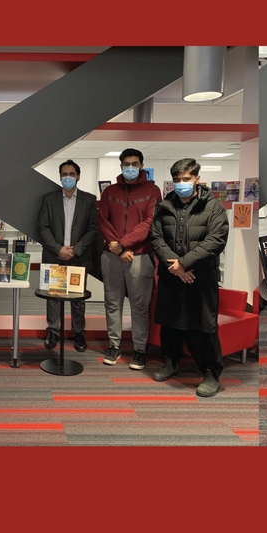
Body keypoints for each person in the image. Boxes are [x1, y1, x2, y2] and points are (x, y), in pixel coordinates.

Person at [150, 158, 229, 397]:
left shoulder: (214, 207)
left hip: (200, 278)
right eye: (177, 180)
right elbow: (156, 238)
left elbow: (215, 241)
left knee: (204, 327)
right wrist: (174, 265)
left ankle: (211, 374)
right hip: (171, 276)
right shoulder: (164, 206)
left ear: (197, 179)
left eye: (186, 179)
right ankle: (171, 362)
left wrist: (184, 263)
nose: (181, 183)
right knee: (170, 322)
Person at [97, 148, 161, 368]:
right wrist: (118, 247)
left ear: (141, 165)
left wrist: (124, 244)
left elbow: (150, 222)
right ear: (121, 166)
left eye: (134, 164)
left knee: (140, 306)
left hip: (140, 256)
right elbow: (103, 221)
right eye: (126, 164)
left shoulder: (153, 191)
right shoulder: (109, 191)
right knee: (111, 303)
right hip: (111, 255)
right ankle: (114, 345)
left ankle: (139, 349)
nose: (130, 168)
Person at [37, 160, 98, 352]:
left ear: (78, 176)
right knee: (53, 297)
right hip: (55, 256)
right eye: (64, 174)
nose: (68, 177)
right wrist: (58, 249)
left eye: (72, 174)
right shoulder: (49, 199)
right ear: (60, 176)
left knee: (78, 298)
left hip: (79, 257)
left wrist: (75, 249)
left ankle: (78, 333)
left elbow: (92, 229)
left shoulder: (89, 200)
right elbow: (43, 227)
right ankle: (53, 332)